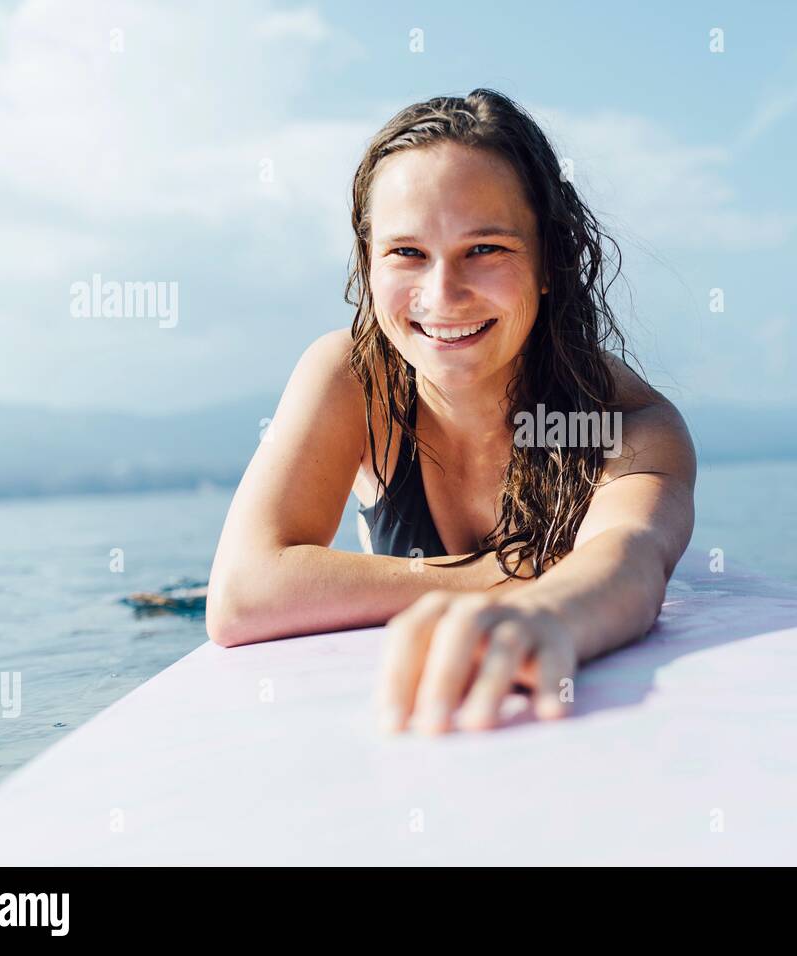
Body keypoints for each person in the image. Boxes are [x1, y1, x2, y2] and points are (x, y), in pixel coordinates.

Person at [206, 89, 695, 735]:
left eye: (485, 249)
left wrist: (544, 614)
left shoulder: (625, 422)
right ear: (369, 263)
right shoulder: (355, 378)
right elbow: (243, 594)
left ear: (548, 262)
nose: (443, 295)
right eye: (407, 253)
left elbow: (631, 557)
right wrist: (511, 574)